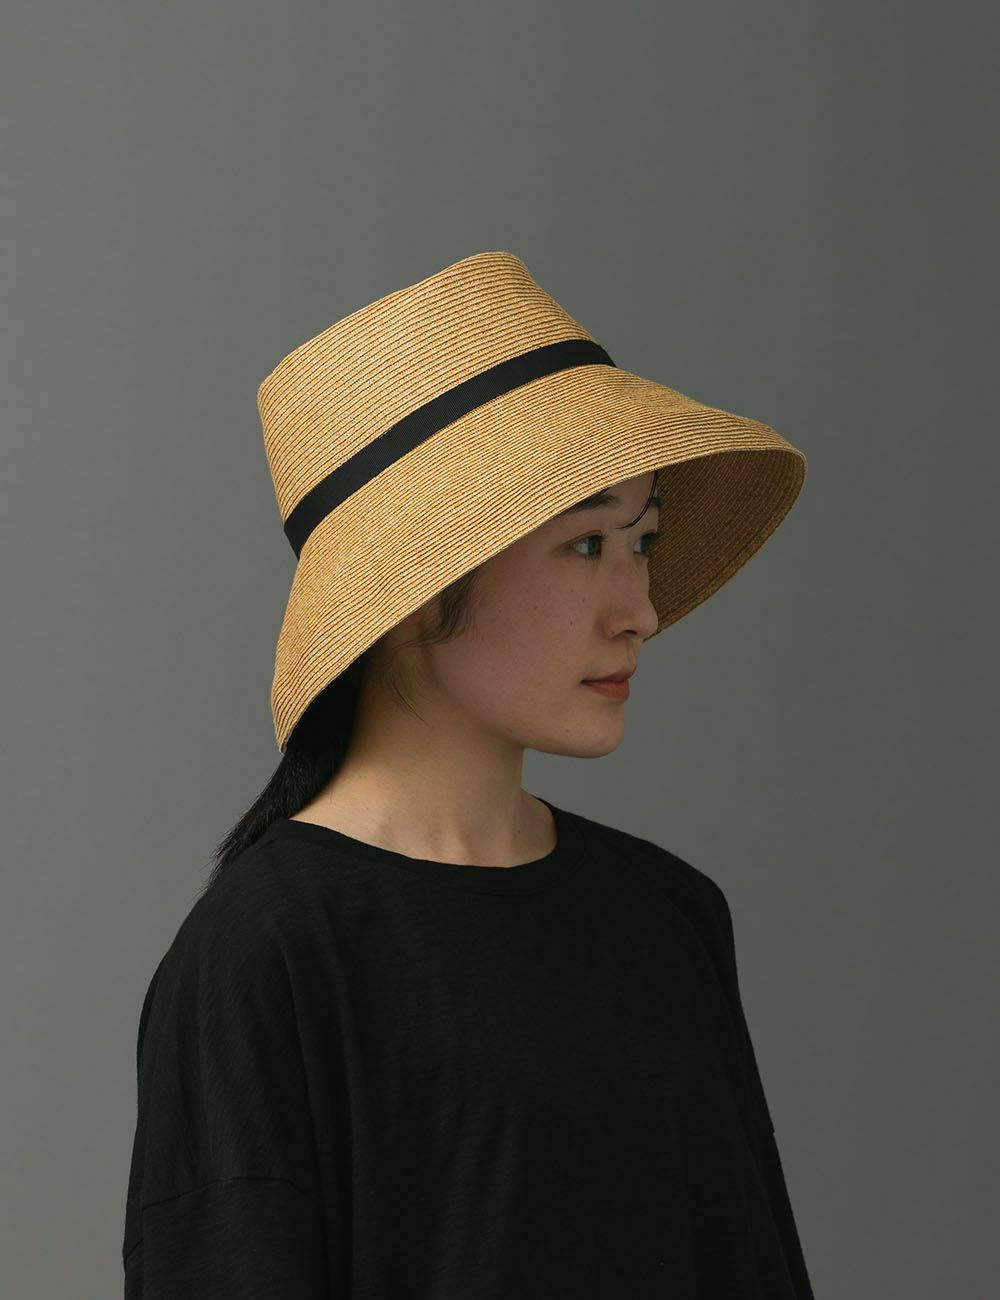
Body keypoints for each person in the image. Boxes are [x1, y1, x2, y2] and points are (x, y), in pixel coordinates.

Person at [122, 251, 815, 1298]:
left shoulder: (668, 915)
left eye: (643, 541)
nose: (639, 609)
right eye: (586, 544)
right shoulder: (268, 955)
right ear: (414, 587)